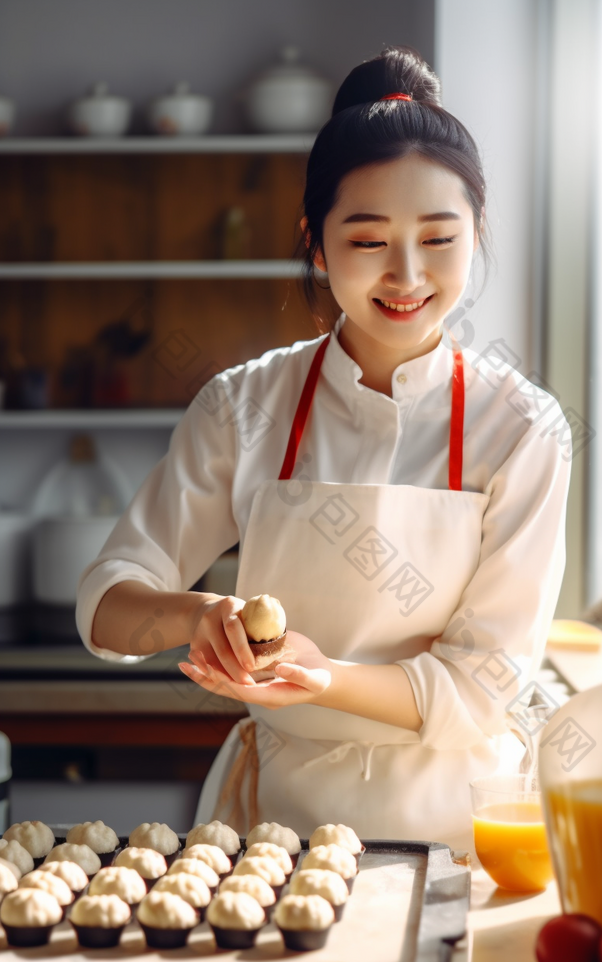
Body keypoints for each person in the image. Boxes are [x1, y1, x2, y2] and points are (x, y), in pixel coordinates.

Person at [77, 46, 571, 851]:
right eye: (369, 240)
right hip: (276, 833)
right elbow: (105, 603)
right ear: (316, 242)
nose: (407, 274)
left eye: (440, 239)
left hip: (459, 829)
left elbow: (483, 686)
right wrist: (200, 613)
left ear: (475, 235)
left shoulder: (523, 427)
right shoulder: (244, 407)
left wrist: (321, 678)